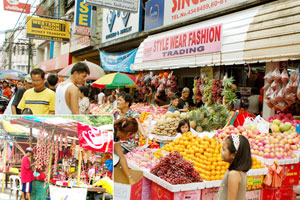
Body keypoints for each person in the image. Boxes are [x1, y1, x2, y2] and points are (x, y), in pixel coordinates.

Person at [218, 135, 252, 200]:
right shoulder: (239, 172)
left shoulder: (234, 174)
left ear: (234, 154)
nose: (221, 151)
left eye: (224, 149)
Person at [114, 118, 139, 185]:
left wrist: (130, 178)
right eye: (132, 135)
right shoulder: (110, 133)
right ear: (129, 133)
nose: (129, 138)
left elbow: (121, 157)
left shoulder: (116, 136)